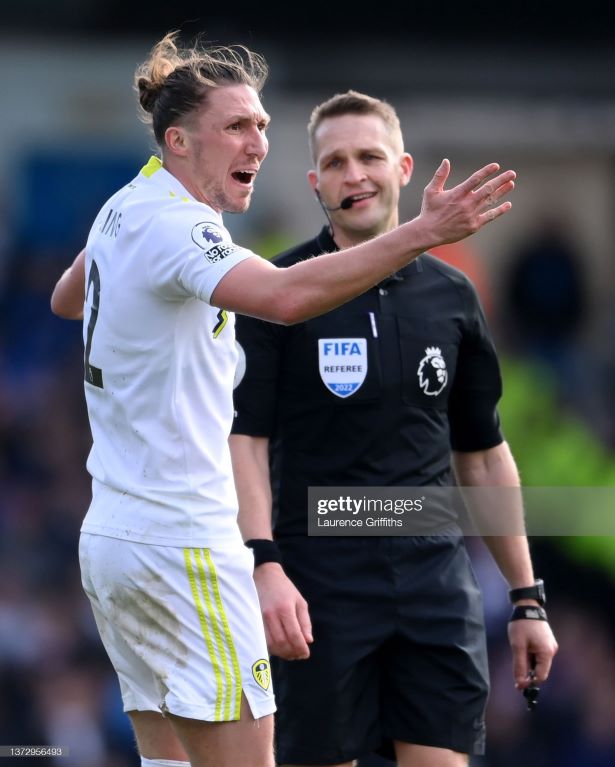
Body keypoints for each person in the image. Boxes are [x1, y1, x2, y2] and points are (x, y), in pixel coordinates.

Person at [49, 29, 517, 767]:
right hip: (185, 545)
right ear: (177, 142)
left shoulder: (125, 207)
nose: (257, 141)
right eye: (235, 126)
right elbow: (287, 295)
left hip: (114, 541)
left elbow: (65, 297)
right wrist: (425, 231)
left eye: (262, 124)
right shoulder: (178, 226)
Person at [229, 90, 558, 767]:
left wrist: (526, 598)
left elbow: (484, 454)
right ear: (314, 182)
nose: (355, 175)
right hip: (317, 583)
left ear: (402, 167)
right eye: (336, 162)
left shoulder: (453, 294)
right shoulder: (278, 288)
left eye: (369, 157)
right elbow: (246, 441)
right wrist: (263, 563)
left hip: (432, 583)